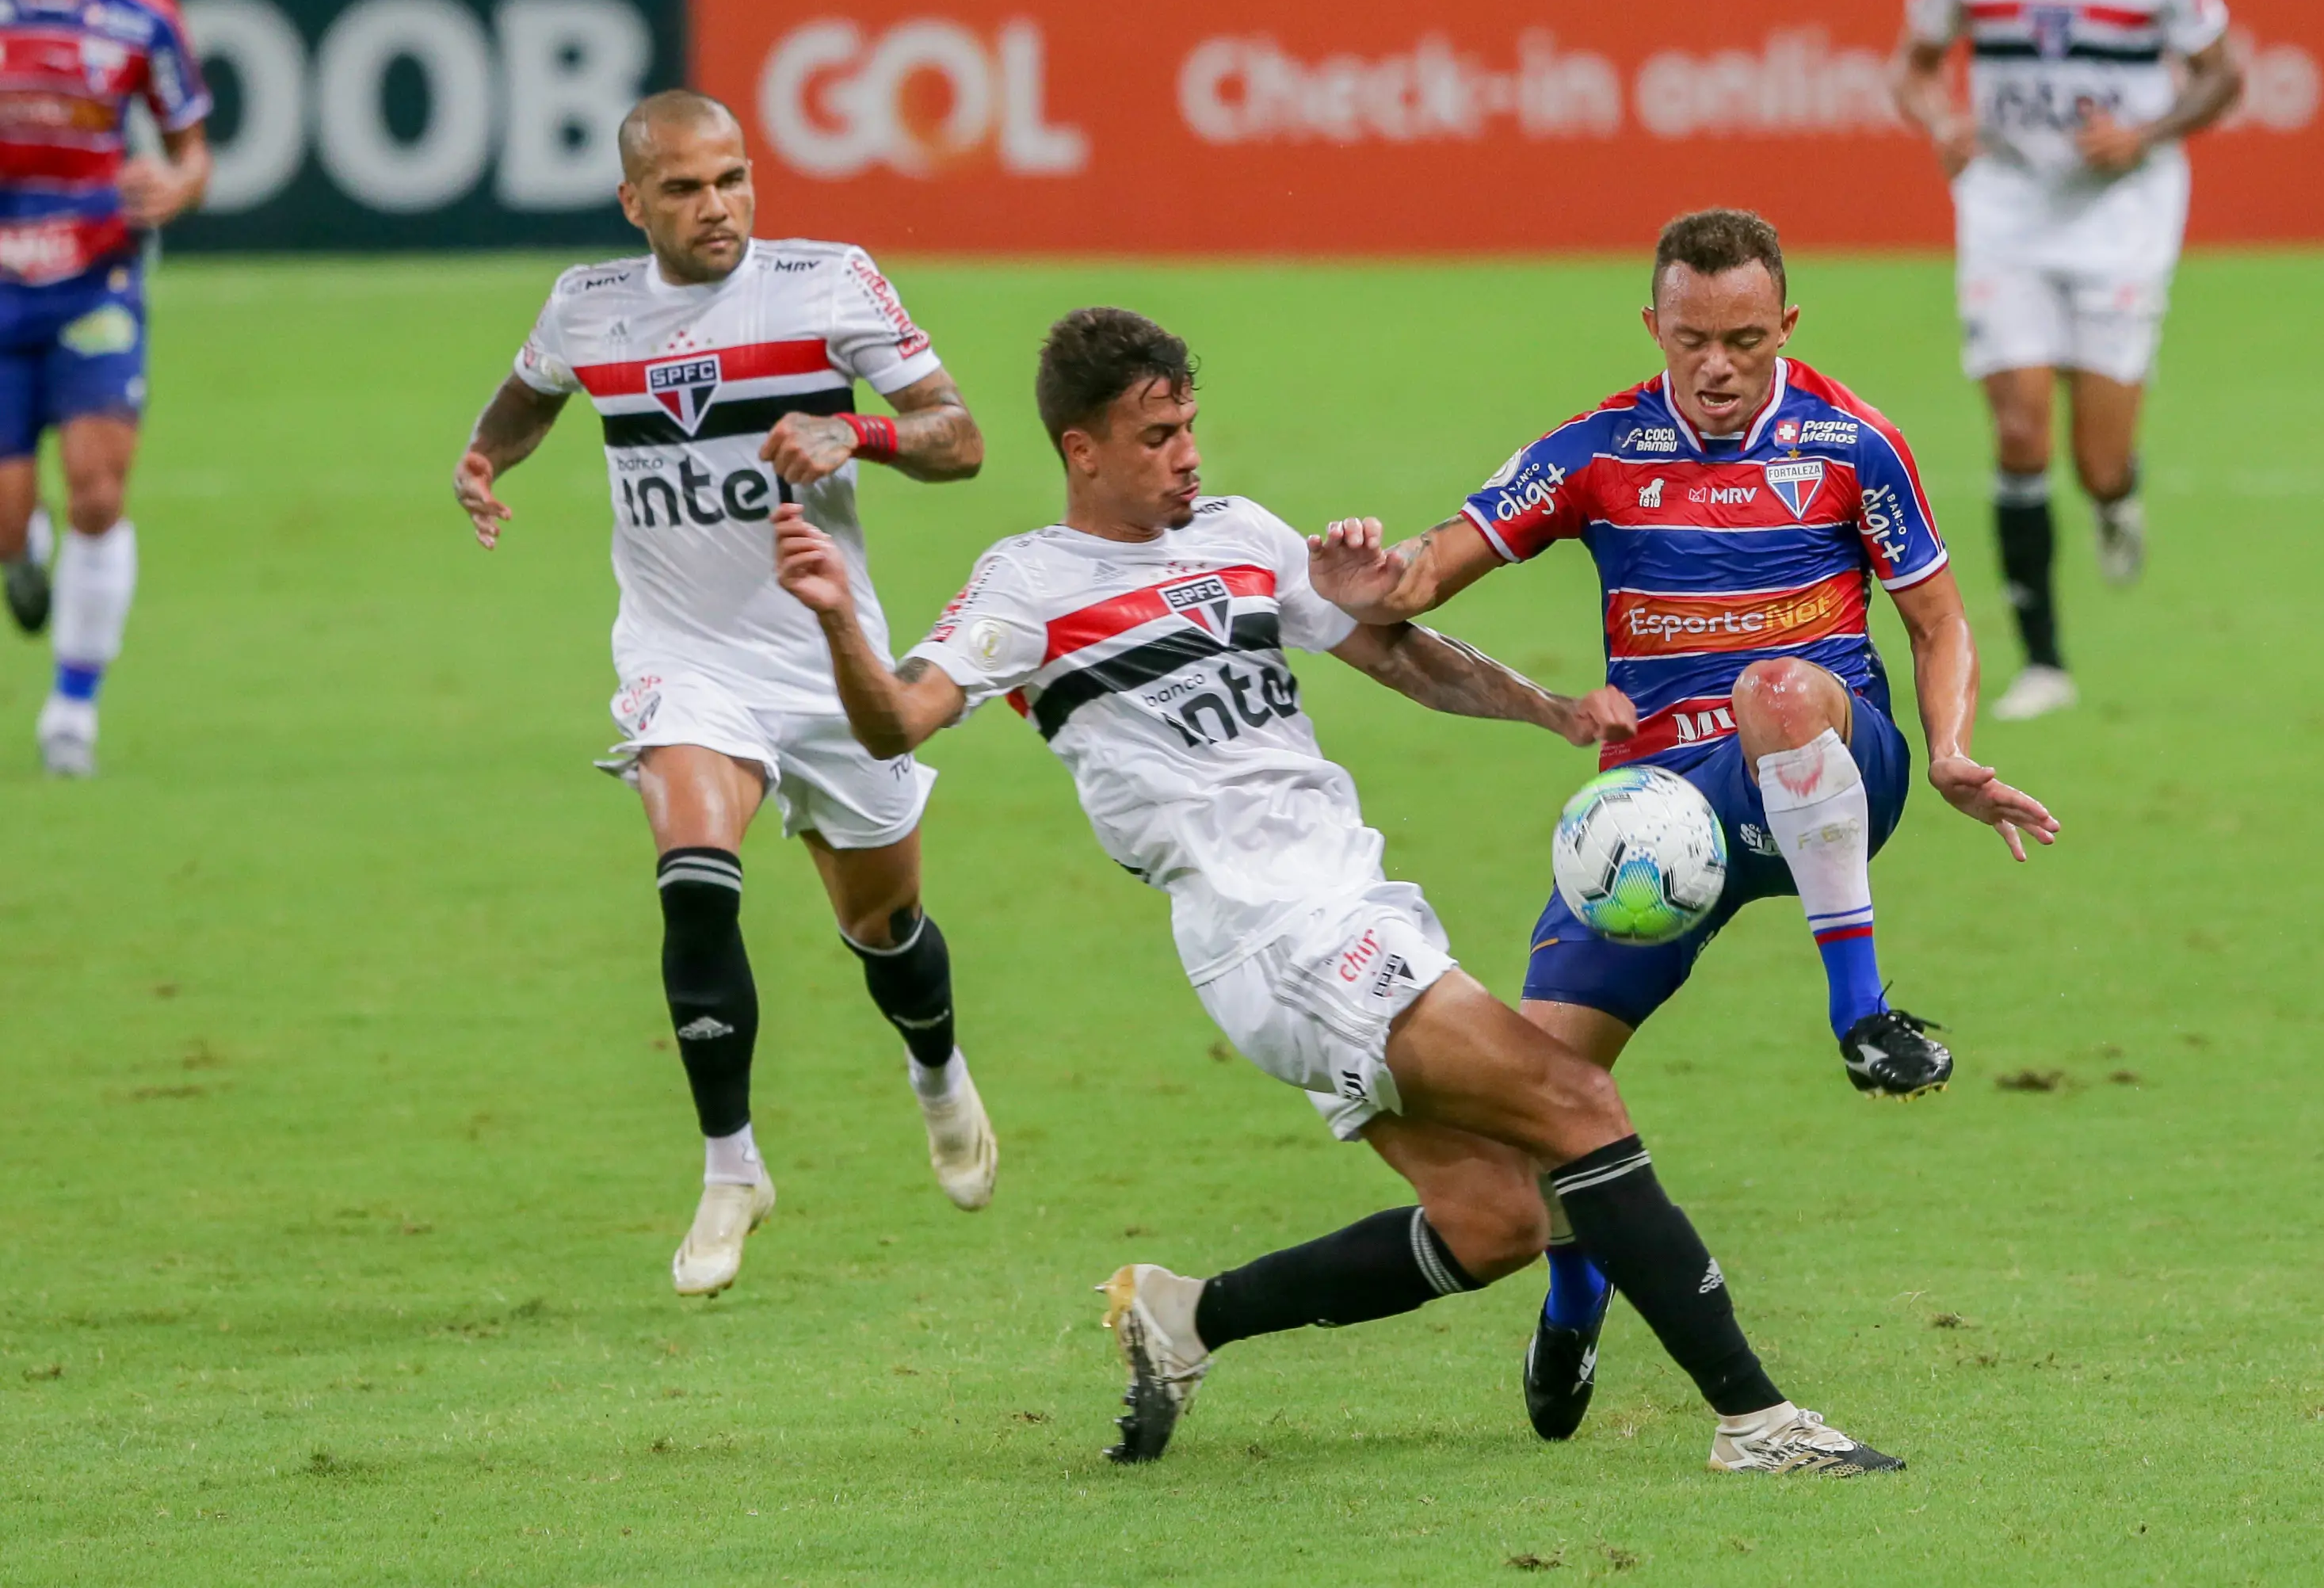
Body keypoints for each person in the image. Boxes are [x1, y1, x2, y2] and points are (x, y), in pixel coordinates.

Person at [777, 306, 1902, 1475]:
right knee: (1576, 1102)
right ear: (1083, 450)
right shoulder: (1027, 587)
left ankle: (1184, 1318)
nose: (1188, 455)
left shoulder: (1240, 534)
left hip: (1355, 906)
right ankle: (1758, 1422)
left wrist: (1550, 708)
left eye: (1190, 427)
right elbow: (894, 720)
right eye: (1158, 436)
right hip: (1276, 936)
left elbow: (1396, 649)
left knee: (1497, 1221)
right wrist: (833, 629)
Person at [1304, 206, 2058, 1441]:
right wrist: (1370, 581)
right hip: (1661, 818)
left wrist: (1957, 747)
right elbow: (1434, 568)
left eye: (1747, 340)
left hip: (1831, 755)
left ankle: (1861, 1010)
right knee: (1539, 1086)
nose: (1718, 367)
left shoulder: (1851, 444)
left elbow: (1938, 621)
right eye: (1694, 339)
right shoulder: (1598, 448)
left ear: (1786, 328)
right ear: (1654, 324)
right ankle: (1573, 1296)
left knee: (1774, 686)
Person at [452, 90, 995, 1297]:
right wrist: (486, 458)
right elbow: (536, 390)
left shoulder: (825, 281)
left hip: (829, 660)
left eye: (735, 179)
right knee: (695, 885)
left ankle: (937, 1069)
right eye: (689, 189)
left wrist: (862, 436)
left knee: (883, 928)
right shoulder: (588, 304)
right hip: (681, 658)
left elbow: (959, 436)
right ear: (634, 201)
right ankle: (731, 1165)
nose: (720, 208)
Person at [1890, 0, 2243, 722]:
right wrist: (1945, 122)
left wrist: (2148, 130)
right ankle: (2044, 659)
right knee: (2016, 428)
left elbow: (2223, 75)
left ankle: (2118, 498)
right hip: (2006, 207)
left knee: (2094, 457)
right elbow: (1914, 66)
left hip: (2121, 218)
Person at [0, 0, 213, 777]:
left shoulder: (142, 15)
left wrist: (176, 186)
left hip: (96, 277)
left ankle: (72, 713)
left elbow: (191, 147)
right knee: (9, 517)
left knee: (98, 487)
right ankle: (19, 544)